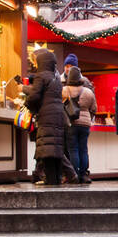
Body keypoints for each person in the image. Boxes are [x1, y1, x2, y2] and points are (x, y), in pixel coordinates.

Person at [23, 48, 76, 187]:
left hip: (46, 116)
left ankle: (52, 179)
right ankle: (56, 179)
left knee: (47, 149)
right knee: (56, 149)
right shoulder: (56, 78)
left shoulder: (41, 76)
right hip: (58, 116)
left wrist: (27, 103)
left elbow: (35, 96)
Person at [64, 65, 98, 185]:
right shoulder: (88, 92)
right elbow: (94, 108)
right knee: (83, 149)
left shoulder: (64, 90)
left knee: (73, 149)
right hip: (85, 124)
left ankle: (75, 175)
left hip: (71, 123)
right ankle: (84, 174)